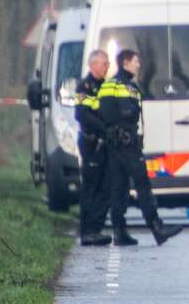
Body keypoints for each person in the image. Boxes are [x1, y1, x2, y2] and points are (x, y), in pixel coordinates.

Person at [98, 49, 183, 247]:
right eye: (136, 61)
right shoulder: (113, 85)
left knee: (119, 187)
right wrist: (126, 117)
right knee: (142, 185)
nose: (138, 65)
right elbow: (110, 114)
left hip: (125, 144)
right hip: (123, 144)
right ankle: (157, 228)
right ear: (126, 62)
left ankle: (120, 232)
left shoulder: (131, 86)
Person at [74, 50, 113, 247]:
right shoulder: (84, 87)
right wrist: (104, 127)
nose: (107, 67)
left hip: (105, 143)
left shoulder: (106, 86)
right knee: (90, 187)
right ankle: (86, 231)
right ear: (93, 65)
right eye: (104, 63)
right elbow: (81, 115)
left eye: (107, 64)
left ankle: (95, 229)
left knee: (106, 187)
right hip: (91, 143)